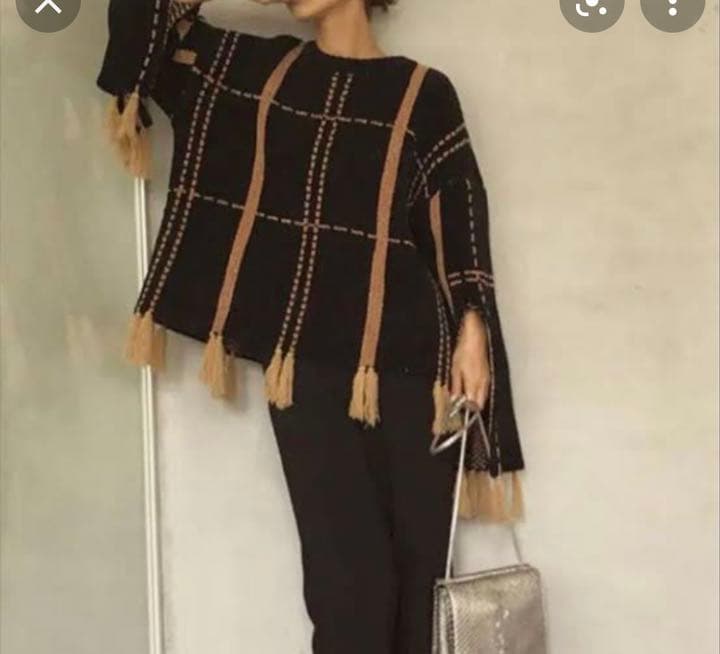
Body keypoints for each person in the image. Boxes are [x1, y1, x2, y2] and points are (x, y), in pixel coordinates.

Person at [97, 0, 527, 651]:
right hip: (307, 366)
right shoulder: (256, 71)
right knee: (346, 586)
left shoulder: (422, 92)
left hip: (415, 365)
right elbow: (142, 32)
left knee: (422, 585)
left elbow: (459, 211)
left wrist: (473, 332)